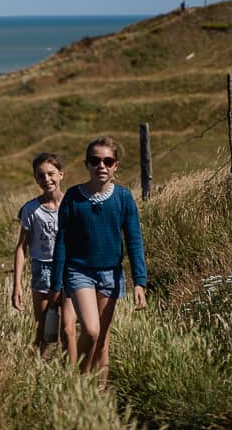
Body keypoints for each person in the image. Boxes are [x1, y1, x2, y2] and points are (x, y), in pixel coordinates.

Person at [48, 136, 147, 388]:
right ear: (87, 165)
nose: (101, 165)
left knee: (102, 340)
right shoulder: (72, 197)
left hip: (111, 275)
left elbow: (134, 240)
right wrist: (57, 283)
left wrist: (139, 282)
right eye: (95, 160)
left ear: (115, 165)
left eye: (107, 160)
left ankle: (99, 395)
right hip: (78, 272)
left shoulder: (124, 198)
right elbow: (62, 241)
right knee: (91, 330)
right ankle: (79, 383)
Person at [12, 152, 67, 354]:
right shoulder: (31, 210)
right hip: (43, 269)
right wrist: (17, 284)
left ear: (61, 174)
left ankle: (68, 372)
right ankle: (37, 367)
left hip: (69, 269)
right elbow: (21, 247)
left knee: (67, 328)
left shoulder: (73, 204)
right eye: (41, 175)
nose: (47, 179)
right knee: (44, 327)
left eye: (51, 174)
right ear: (36, 178)